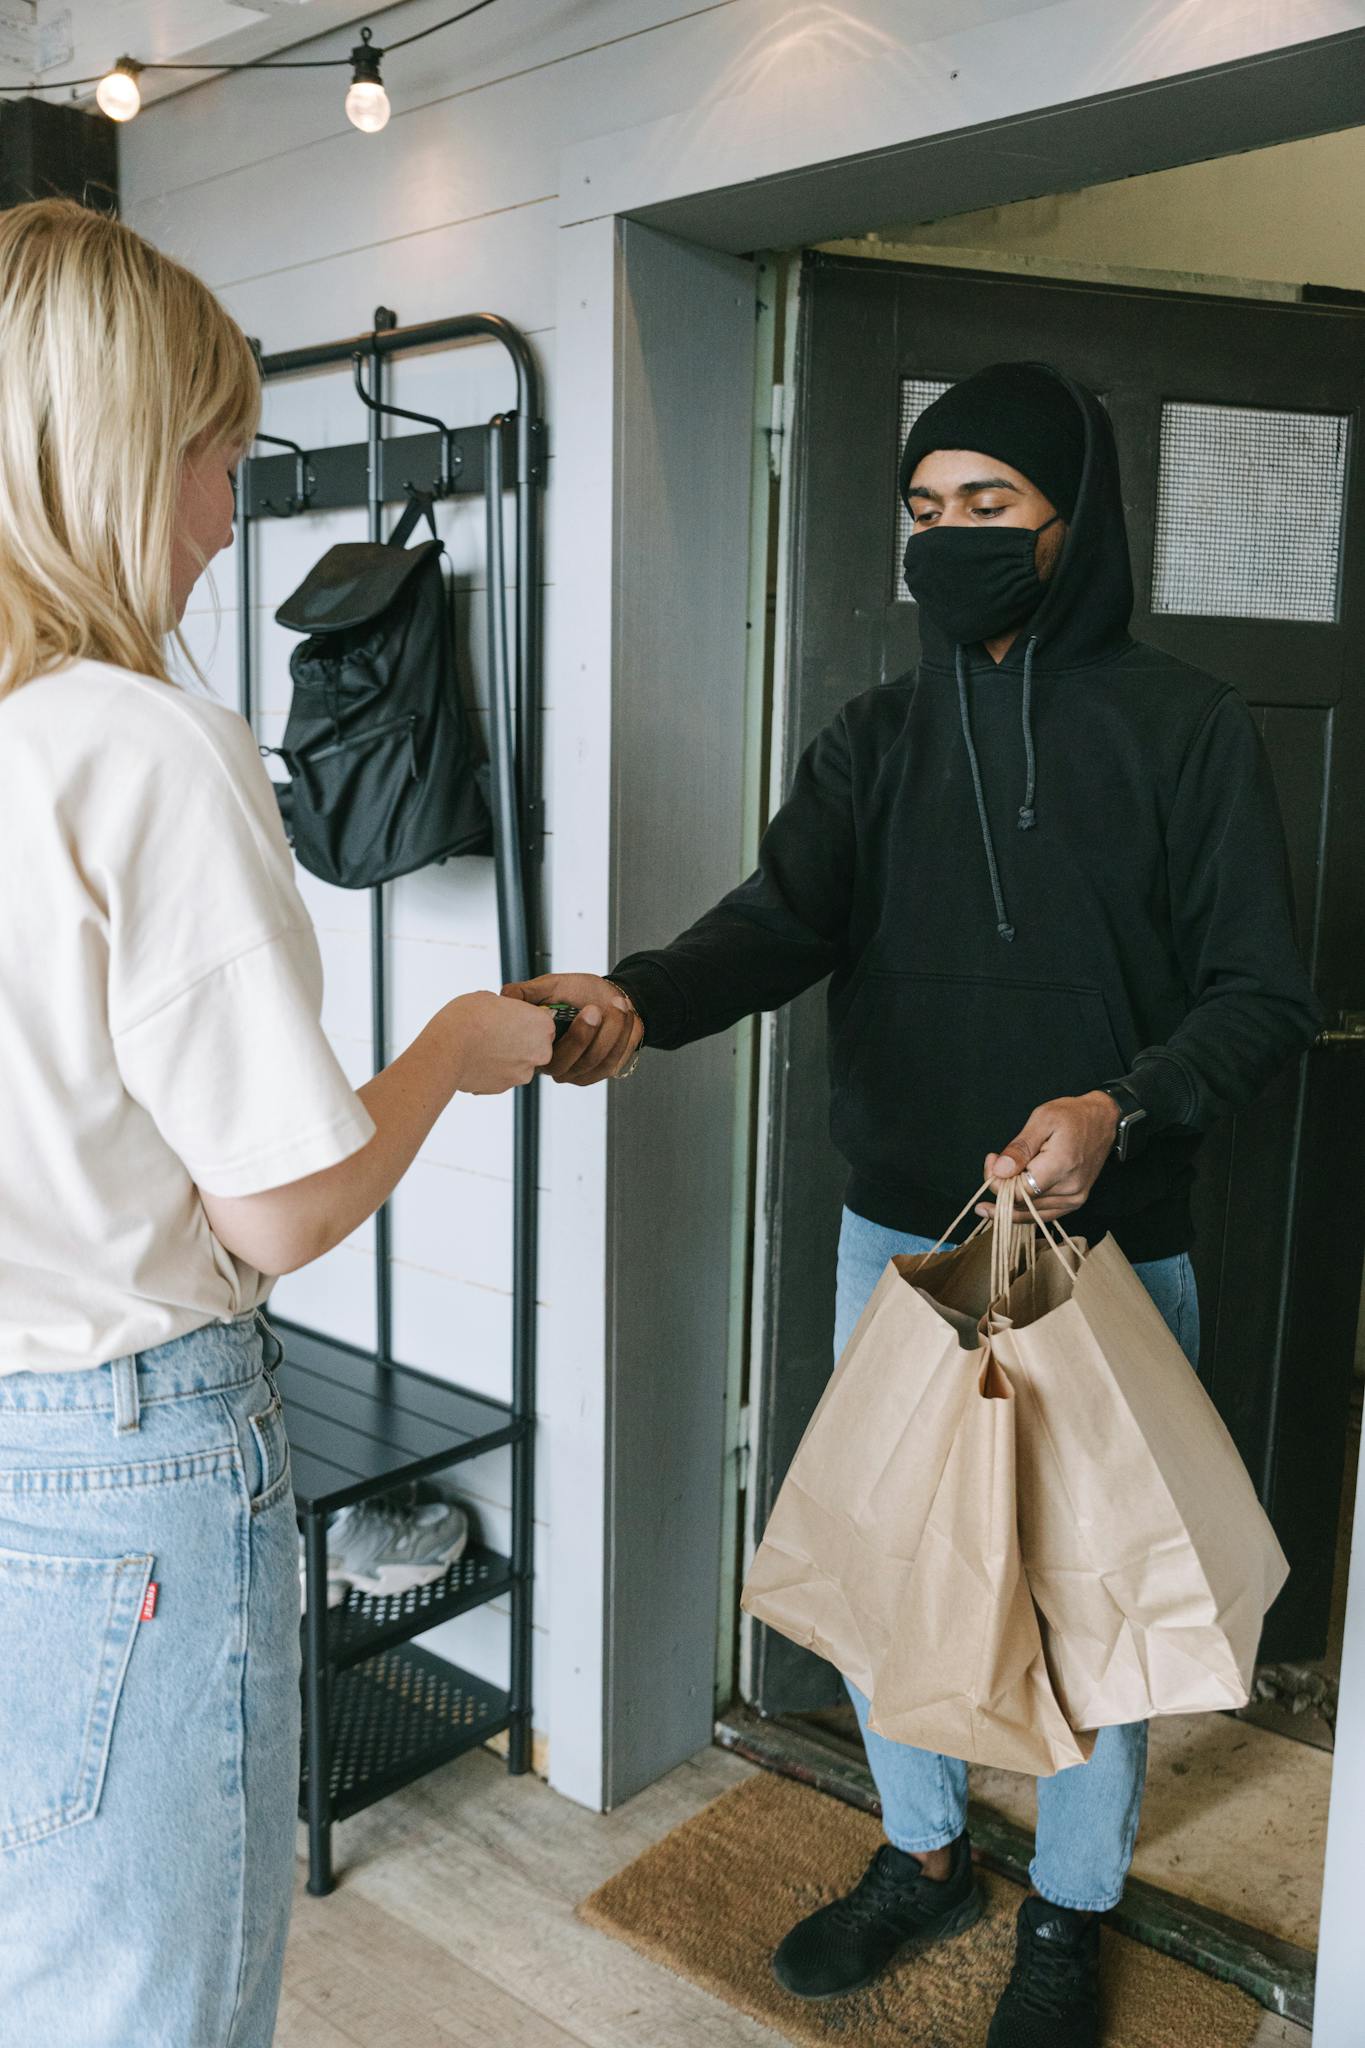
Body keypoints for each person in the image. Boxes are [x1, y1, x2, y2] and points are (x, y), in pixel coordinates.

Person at [506, 360, 1321, 2046]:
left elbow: (1261, 994)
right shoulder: (877, 734)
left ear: (1070, 521)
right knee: (900, 1566)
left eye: (991, 507)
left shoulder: (1183, 728)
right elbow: (774, 919)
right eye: (926, 511)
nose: (949, 540)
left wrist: (1118, 1104)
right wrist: (643, 998)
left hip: (1093, 1253)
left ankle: (1071, 1910)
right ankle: (925, 1853)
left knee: (1083, 1596)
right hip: (910, 1240)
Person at [0, 200, 554, 2048]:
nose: (227, 518)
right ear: (101, 454)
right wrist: (453, 1050)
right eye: (211, 463)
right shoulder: (135, 742)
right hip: (121, 1460)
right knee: (146, 2005)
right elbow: (279, 1214)